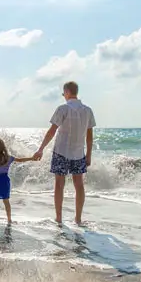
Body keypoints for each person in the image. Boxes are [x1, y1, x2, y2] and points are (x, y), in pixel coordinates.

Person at [32, 81, 96, 225]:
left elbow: (52, 131)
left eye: (63, 93)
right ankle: (78, 219)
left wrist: (41, 149)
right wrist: (89, 155)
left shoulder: (63, 109)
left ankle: (59, 218)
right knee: (79, 185)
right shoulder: (88, 110)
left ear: (67, 92)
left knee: (59, 185)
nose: (63, 96)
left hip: (61, 151)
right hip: (79, 153)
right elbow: (90, 136)